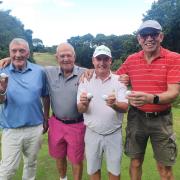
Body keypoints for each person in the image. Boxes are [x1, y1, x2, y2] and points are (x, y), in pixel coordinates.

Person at [116, 20, 180, 180]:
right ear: (139, 38)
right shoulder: (131, 60)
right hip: (136, 118)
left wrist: (151, 98)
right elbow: (112, 78)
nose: (149, 38)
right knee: (135, 162)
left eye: (154, 34)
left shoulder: (174, 58)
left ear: (161, 37)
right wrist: (88, 72)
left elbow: (173, 93)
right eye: (145, 35)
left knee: (164, 168)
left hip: (162, 119)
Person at [0, 38, 49, 180]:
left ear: (28, 53)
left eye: (22, 50)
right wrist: (2, 91)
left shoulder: (39, 71)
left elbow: (46, 96)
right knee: (8, 169)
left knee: (31, 164)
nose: (18, 54)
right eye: (14, 51)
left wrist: (46, 118)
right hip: (11, 129)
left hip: (35, 128)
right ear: (9, 53)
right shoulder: (2, 70)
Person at [77, 45, 128, 180]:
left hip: (114, 133)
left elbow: (125, 108)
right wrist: (84, 103)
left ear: (110, 61)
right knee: (93, 170)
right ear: (93, 60)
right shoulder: (85, 80)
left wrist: (114, 104)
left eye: (105, 59)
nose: (102, 62)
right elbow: (80, 109)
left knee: (114, 172)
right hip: (92, 133)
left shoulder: (119, 81)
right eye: (98, 59)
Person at [45, 42, 86, 180]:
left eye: (69, 55)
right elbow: (28, 66)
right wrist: (8, 59)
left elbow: (103, 71)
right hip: (56, 123)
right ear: (57, 57)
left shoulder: (85, 73)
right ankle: (63, 178)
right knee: (59, 155)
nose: (65, 59)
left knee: (76, 159)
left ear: (74, 57)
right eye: (62, 56)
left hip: (77, 124)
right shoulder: (49, 72)